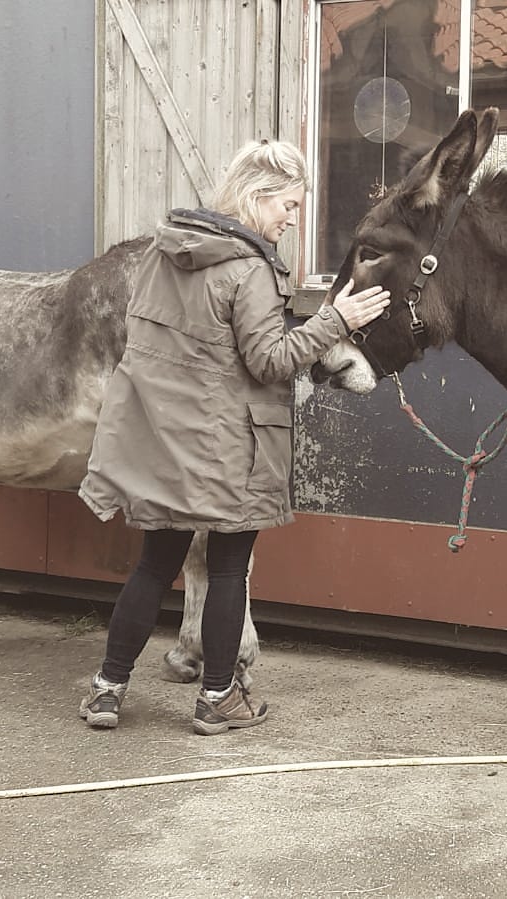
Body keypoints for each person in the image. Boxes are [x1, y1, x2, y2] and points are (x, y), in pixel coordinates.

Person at [75, 139, 390, 734]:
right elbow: (270, 362)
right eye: (288, 206)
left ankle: (106, 690)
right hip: (229, 447)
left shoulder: (162, 253)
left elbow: (148, 346)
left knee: (152, 566)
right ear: (256, 197)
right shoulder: (249, 270)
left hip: (166, 438)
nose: (293, 220)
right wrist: (336, 321)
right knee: (226, 570)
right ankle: (218, 697)